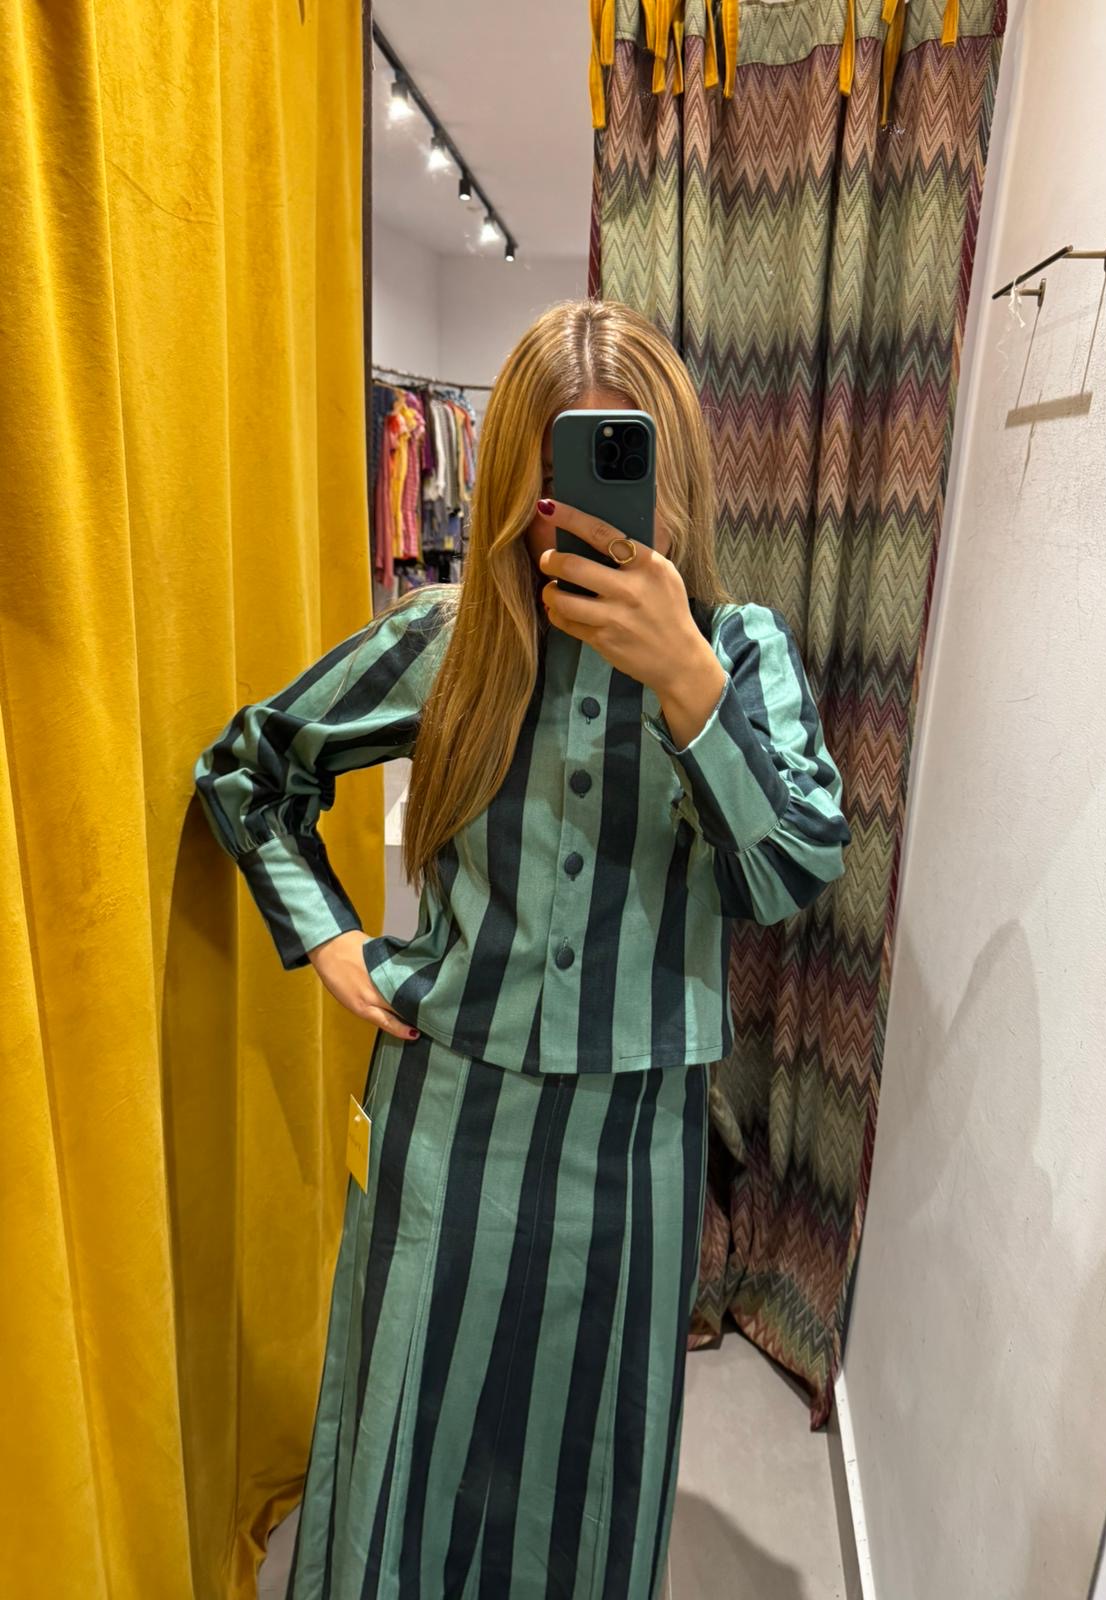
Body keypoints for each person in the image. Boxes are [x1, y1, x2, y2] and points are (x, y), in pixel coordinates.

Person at [192, 297, 851, 1600]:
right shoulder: (450, 644)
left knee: (587, 1475)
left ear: (672, 478)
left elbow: (791, 874)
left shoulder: (741, 653)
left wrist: (688, 687)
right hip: (448, 1126)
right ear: (511, 490)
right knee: (414, 1442)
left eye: (620, 469)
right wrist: (332, 942)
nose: (584, 515)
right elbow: (249, 770)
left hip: (633, 1154)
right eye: (557, 482)